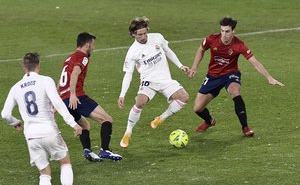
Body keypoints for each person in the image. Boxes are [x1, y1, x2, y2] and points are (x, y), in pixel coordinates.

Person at [188, 17, 285, 137]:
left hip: (230, 74)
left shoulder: (239, 45)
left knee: (235, 91)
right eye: (222, 31)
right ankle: (209, 121)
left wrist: (269, 78)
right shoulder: (211, 39)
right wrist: (194, 67)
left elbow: (255, 62)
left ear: (233, 31)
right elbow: (201, 50)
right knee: (197, 108)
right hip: (213, 76)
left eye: (227, 31)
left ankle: (245, 128)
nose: (224, 34)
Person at [1, 53, 82, 185]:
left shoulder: (15, 88)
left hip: (31, 136)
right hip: (49, 131)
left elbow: (5, 114)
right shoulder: (45, 80)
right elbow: (57, 103)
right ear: (38, 66)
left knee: (44, 174)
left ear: (23, 67)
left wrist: (16, 122)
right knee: (65, 163)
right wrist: (73, 124)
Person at [118, 17, 190, 148]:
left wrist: (180, 65)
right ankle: (128, 132)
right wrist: (122, 94)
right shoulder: (132, 52)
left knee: (184, 97)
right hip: (148, 81)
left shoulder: (157, 37)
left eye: (145, 33)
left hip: (165, 79)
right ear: (133, 34)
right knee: (139, 103)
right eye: (140, 34)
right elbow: (128, 74)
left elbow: (168, 51)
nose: (143, 36)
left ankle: (161, 118)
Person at [58, 32, 122, 161]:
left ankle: (88, 151)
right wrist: (73, 95)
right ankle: (105, 150)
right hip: (76, 98)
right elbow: (75, 73)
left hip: (63, 100)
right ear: (87, 45)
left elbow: (60, 81)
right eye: (92, 45)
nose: (93, 48)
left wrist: (57, 101)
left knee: (84, 125)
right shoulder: (83, 56)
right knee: (106, 119)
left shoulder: (69, 58)